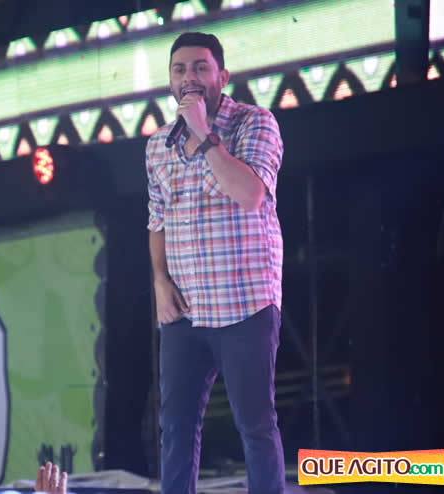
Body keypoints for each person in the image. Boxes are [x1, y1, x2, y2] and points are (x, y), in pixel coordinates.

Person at [146, 32, 285, 494]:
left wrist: (205, 135)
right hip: (185, 311)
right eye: (179, 69)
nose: (189, 77)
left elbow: (250, 195)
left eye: (200, 67)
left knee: (255, 426)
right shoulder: (158, 145)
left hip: (245, 303)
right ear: (170, 81)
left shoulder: (254, 123)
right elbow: (157, 219)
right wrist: (160, 281)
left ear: (222, 76)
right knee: (175, 429)